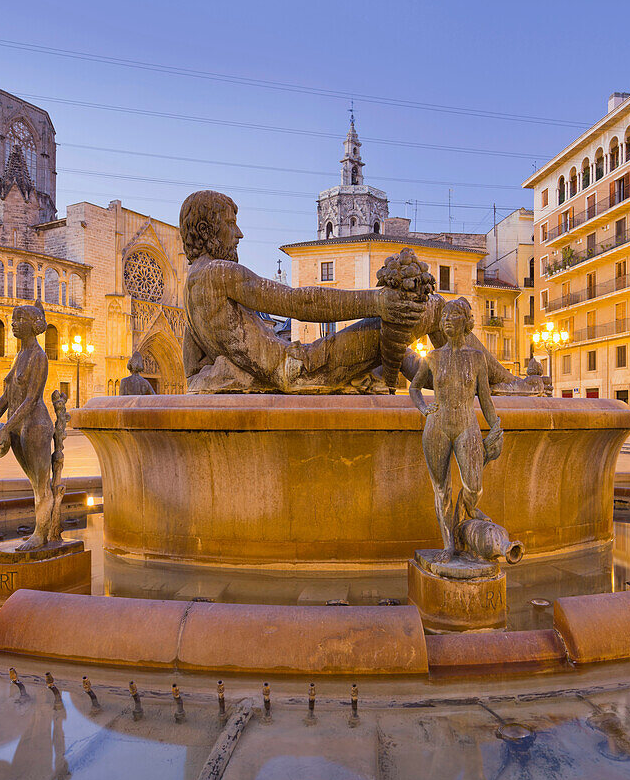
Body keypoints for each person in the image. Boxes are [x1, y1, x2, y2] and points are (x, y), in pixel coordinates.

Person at [179, 190, 539, 394]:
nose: (239, 234)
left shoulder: (192, 287)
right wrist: (376, 300)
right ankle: (505, 385)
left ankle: (449, 383)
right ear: (206, 228)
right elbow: (298, 303)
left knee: (397, 336)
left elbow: (192, 367)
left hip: (295, 367)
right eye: (230, 224)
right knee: (431, 308)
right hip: (305, 366)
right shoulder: (219, 273)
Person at [408, 298, 503, 556]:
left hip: (466, 425)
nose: (447, 320)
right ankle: (449, 543)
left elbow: (485, 398)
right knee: (442, 489)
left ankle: (469, 511)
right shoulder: (433, 357)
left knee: (474, 485)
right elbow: (414, 387)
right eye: (445, 316)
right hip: (437, 426)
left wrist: (495, 427)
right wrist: (423, 408)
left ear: (466, 322)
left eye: (454, 315)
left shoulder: (477, 358)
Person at [0, 302, 59, 550]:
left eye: (19, 319)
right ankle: (44, 529)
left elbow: (32, 398)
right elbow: (6, 395)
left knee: (41, 482)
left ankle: (40, 533)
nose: (13, 323)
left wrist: (6, 427)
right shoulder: (18, 356)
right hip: (17, 425)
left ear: (34, 325)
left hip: (35, 424)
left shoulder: (38, 356)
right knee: (33, 482)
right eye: (13, 319)